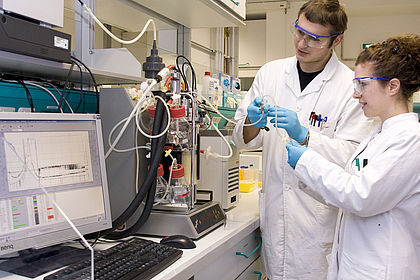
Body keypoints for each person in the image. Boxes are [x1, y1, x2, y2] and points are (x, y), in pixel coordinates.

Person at [232, 0, 372, 278]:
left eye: (315, 38)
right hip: (276, 213)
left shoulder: (349, 86)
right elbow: (243, 139)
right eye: (299, 31)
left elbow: (353, 156)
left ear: (336, 40)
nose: (303, 43)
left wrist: (306, 136)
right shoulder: (270, 73)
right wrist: (251, 121)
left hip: (318, 221)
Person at [285, 34, 420, 279]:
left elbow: (361, 196)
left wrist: (306, 161)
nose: (356, 95)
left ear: (393, 86)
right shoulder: (377, 133)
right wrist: (304, 171)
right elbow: (346, 191)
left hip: (383, 269)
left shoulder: (411, 139)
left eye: (363, 85)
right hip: (357, 264)